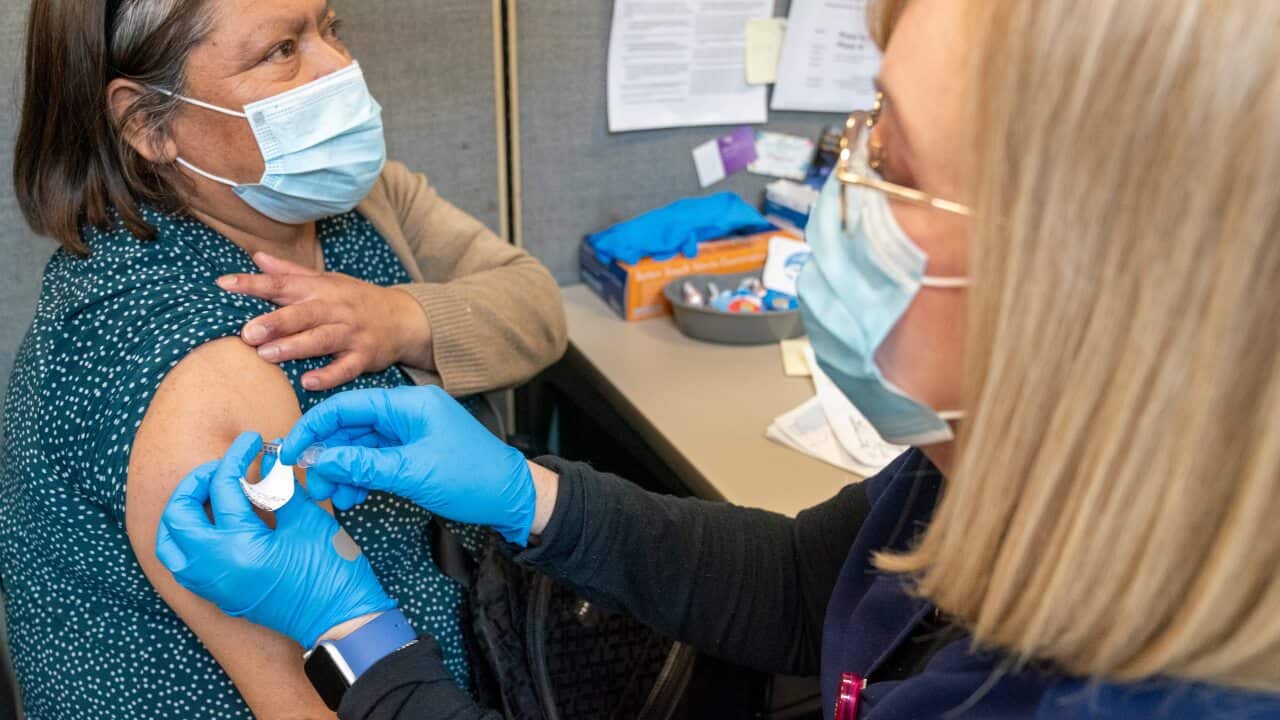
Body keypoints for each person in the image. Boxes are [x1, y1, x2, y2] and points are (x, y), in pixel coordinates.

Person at [159, 0, 1280, 717]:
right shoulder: (1020, 459)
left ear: (1085, 269)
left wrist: (350, 638)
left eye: (887, 156)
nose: (837, 189)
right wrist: (527, 493)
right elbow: (806, 585)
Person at [0, 0, 566, 718]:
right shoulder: (202, 367)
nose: (341, 67)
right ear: (150, 123)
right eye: (282, 50)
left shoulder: (345, 204)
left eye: (331, 27)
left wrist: (400, 319)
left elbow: (536, 306)